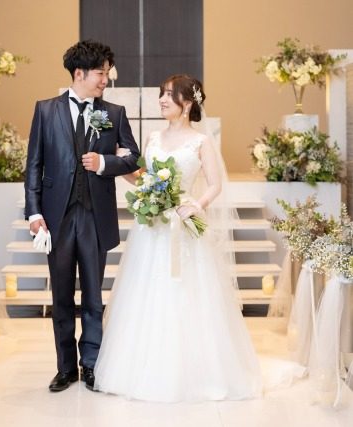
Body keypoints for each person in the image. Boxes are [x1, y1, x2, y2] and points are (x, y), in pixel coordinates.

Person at [93, 75, 262, 402]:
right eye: (162, 94)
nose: (162, 99)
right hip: (151, 227)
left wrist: (195, 205)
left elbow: (215, 184)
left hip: (183, 226)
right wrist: (119, 164)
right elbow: (143, 177)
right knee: (146, 291)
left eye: (169, 95)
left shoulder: (201, 142)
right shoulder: (153, 137)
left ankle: (194, 372)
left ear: (187, 103)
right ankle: (140, 370)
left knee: (187, 291)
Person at [24, 40, 140, 393]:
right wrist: (34, 212)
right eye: (100, 73)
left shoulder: (114, 113)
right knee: (61, 297)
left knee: (93, 296)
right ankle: (65, 368)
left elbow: (133, 158)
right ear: (79, 73)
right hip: (56, 218)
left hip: (94, 216)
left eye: (107, 73)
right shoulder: (46, 110)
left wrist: (105, 163)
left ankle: (91, 364)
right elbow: (34, 165)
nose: (106, 79)